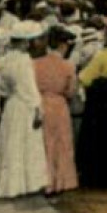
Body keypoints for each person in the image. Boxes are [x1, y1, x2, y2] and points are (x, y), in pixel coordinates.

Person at [0, 23, 48, 198]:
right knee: (26, 143)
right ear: (25, 43)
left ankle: (11, 183)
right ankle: (27, 184)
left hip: (12, 104)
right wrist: (38, 108)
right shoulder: (24, 61)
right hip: (24, 105)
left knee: (11, 142)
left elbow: (1, 88)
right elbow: (29, 88)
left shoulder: (5, 59)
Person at [74, 16, 107, 189]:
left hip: (101, 98)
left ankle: (97, 175)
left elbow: (85, 78)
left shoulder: (103, 55)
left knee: (97, 136)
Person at [32, 28, 79, 195]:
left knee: (44, 143)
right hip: (59, 104)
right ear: (62, 45)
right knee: (61, 143)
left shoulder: (35, 64)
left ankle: (44, 181)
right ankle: (61, 180)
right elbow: (71, 91)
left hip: (40, 103)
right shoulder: (68, 66)